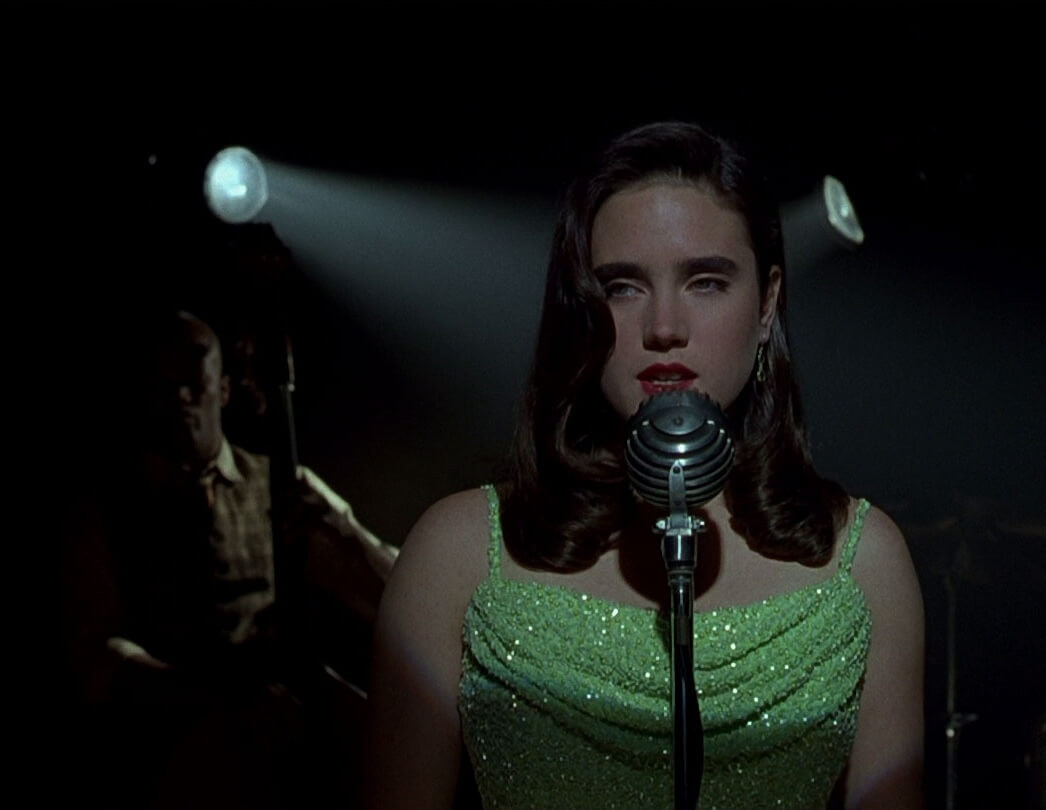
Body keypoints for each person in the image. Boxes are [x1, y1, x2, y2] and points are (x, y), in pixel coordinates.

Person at [366, 121, 925, 809]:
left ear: (767, 304)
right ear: (580, 307)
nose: (664, 327)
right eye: (623, 287)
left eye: (706, 282)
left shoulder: (863, 564)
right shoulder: (458, 553)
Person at [60, 310, 399, 809]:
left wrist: (348, 535)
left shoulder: (282, 484)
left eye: (193, 376)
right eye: (164, 381)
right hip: (172, 735)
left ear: (222, 388)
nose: (180, 395)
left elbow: (397, 594)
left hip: (286, 717)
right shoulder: (107, 506)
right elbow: (97, 656)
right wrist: (208, 698)